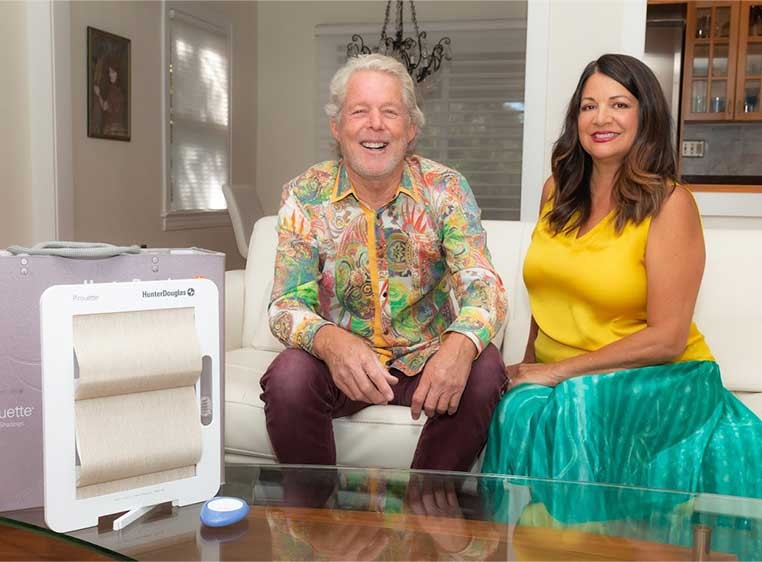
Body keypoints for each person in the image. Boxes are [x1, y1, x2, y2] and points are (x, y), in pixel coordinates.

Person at [482, 54, 762, 500]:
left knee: (580, 406)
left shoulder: (671, 205)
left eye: (619, 104)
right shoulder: (555, 191)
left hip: (659, 376)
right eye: (588, 106)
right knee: (516, 408)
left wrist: (555, 373)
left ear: (645, 115)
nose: (601, 118)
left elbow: (668, 338)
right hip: (571, 378)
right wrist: (528, 364)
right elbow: (548, 292)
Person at [261, 53, 507, 472]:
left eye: (389, 112)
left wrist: (460, 345)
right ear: (337, 127)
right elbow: (286, 305)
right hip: (343, 367)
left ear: (410, 129)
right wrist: (331, 342)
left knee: (485, 367)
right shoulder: (305, 194)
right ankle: (317, 521)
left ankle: (425, 517)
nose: (375, 124)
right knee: (288, 375)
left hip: (427, 361)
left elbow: (484, 285)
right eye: (360, 111)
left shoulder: (446, 188)